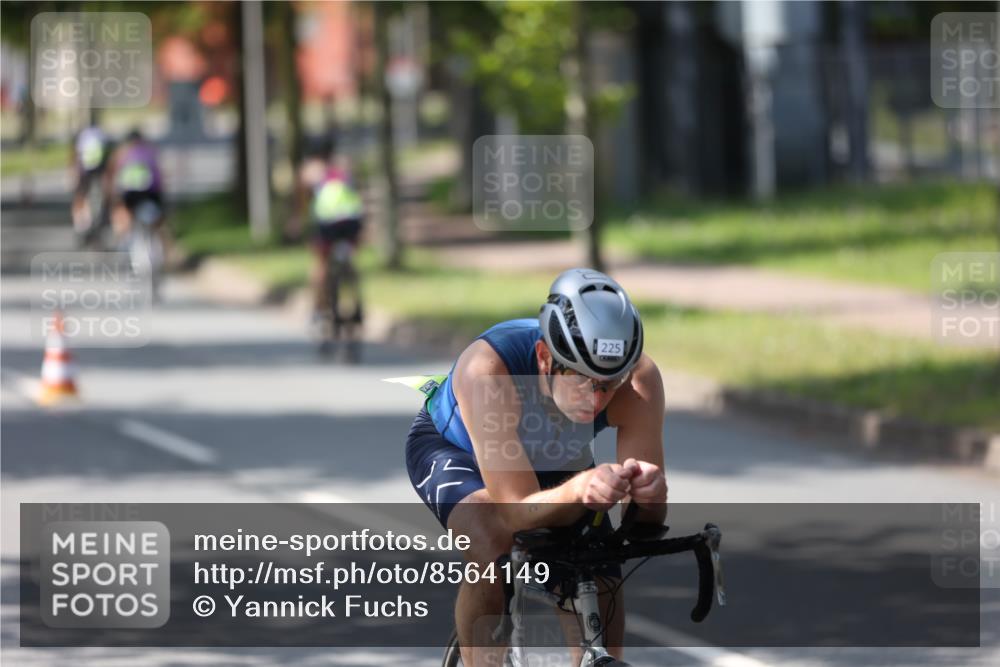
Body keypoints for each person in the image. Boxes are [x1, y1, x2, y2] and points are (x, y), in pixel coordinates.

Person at [405, 268, 668, 666]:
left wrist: (648, 496)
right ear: (545, 358)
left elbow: (644, 524)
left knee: (599, 561)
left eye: (608, 384)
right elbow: (514, 511)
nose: (597, 399)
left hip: (556, 457)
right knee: (492, 538)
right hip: (459, 452)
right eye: (583, 380)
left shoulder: (637, 381)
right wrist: (581, 490)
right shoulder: (489, 369)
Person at [292, 137, 365, 342]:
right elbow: (357, 193)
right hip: (351, 221)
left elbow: (302, 202)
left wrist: (297, 221)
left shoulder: (310, 170)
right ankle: (356, 295)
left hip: (327, 224)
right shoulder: (345, 165)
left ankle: (317, 311)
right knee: (349, 258)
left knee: (321, 264)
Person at [106, 128, 166, 243]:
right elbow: (158, 175)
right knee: (159, 222)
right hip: (150, 192)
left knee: (121, 213)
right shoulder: (150, 150)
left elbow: (114, 174)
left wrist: (112, 194)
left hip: (129, 193)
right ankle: (167, 249)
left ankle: (121, 239)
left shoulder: (121, 152)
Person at [70, 124, 110, 242]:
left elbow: (76, 156)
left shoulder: (83, 136)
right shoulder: (101, 135)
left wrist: (73, 173)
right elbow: (107, 155)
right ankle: (98, 221)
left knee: (80, 197)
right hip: (99, 170)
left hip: (84, 171)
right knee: (100, 195)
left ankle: (80, 226)